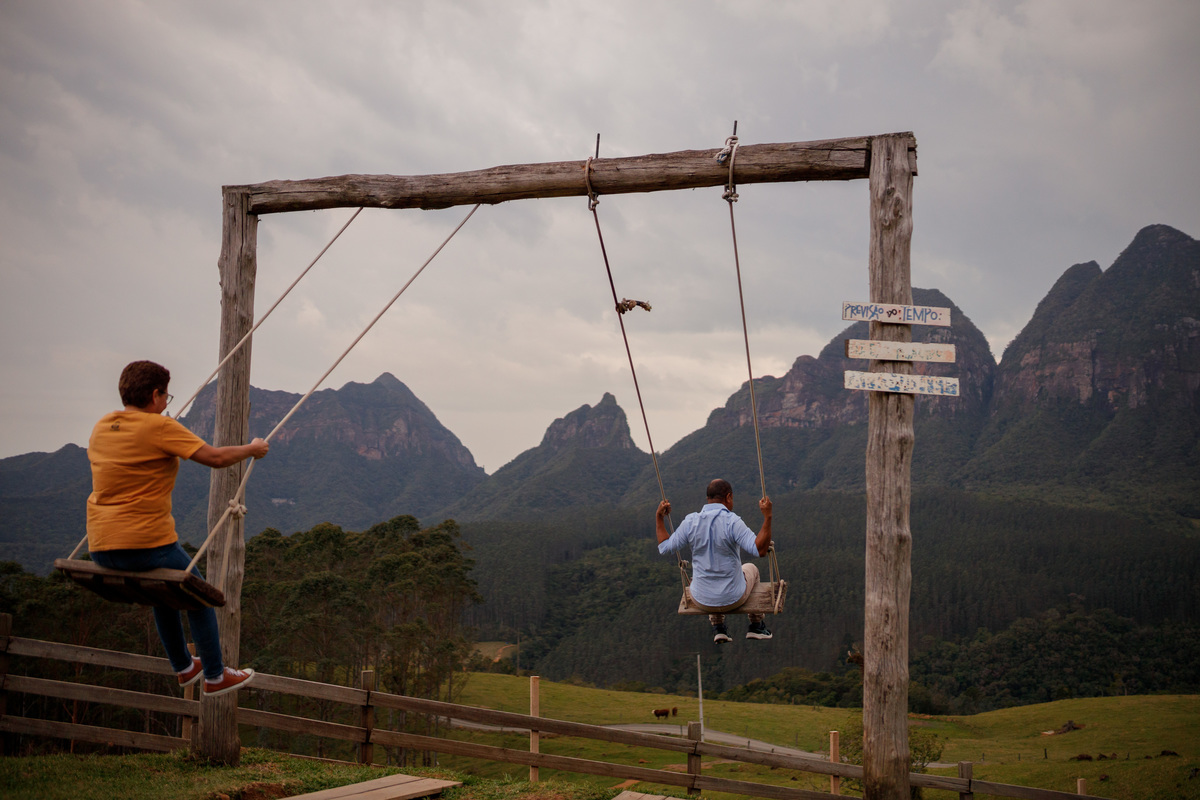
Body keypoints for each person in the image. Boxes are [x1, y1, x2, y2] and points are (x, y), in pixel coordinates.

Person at [87, 360, 269, 696]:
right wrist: (252, 449)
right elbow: (214, 458)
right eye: (166, 397)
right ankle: (215, 675)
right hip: (143, 545)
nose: (167, 403)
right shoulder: (159, 428)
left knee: (165, 592)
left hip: (101, 547)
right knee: (197, 594)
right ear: (156, 395)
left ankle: (185, 667)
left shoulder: (102, 426)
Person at [655, 478, 773, 643]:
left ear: (708, 499)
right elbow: (759, 550)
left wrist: (659, 517)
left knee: (706, 573)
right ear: (729, 497)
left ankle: (719, 627)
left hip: (701, 599)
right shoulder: (732, 521)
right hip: (734, 598)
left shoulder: (691, 521)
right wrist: (767, 517)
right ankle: (757, 625)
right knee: (751, 568)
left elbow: (665, 547)